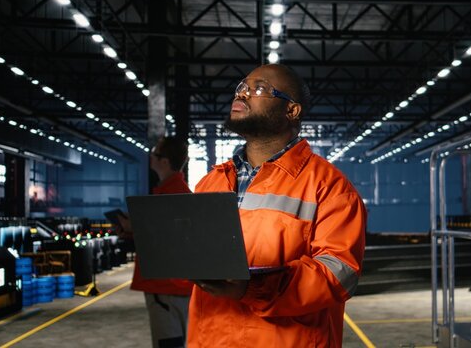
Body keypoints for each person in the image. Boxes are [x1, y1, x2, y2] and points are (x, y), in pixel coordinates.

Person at [188, 64, 367, 347]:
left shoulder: (330, 187)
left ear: (292, 111)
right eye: (241, 87)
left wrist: (254, 288)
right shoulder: (211, 181)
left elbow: (338, 274)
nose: (243, 94)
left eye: (258, 89)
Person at [117, 137, 193, 348]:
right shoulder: (177, 192)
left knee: (169, 343)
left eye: (155, 154)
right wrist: (134, 234)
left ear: (165, 162)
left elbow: (171, 240)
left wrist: (135, 228)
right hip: (175, 285)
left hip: (166, 286)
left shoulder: (169, 196)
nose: (151, 157)